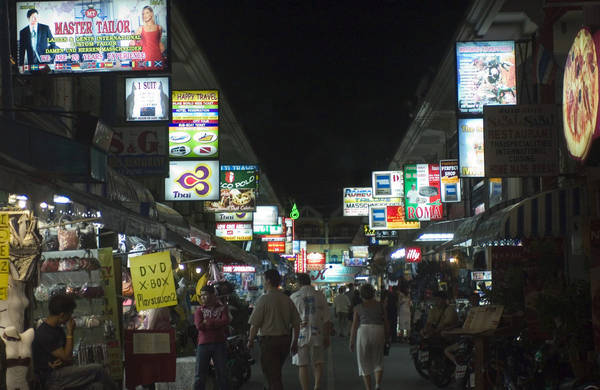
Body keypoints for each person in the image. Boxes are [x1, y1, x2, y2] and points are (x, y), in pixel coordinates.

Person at [32, 294, 117, 390]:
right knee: (98, 370)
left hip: (60, 372)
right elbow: (67, 357)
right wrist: (70, 332)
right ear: (62, 315)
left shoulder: (56, 329)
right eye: (70, 313)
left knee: (97, 387)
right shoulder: (45, 333)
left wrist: (63, 361)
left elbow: (68, 359)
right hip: (52, 378)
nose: (71, 317)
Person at [248, 269, 301, 390]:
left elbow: (255, 324)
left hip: (269, 342)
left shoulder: (264, 300)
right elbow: (296, 323)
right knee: (276, 371)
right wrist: (294, 342)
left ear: (268, 281)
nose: (263, 282)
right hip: (284, 341)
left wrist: (250, 340)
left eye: (264, 279)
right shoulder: (287, 299)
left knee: (272, 374)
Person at [290, 273, 332, 390]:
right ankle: (317, 386)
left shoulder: (294, 297)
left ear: (299, 283)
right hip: (317, 332)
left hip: (300, 334)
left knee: (302, 364)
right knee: (318, 362)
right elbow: (327, 319)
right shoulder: (320, 296)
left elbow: (289, 318)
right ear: (310, 281)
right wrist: (327, 336)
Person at [349, 284, 390, 390]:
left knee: (363, 361)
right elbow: (386, 322)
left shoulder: (358, 307)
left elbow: (354, 325)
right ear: (373, 293)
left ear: (361, 295)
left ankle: (368, 388)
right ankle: (377, 385)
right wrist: (388, 336)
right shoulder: (380, 306)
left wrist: (351, 341)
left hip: (363, 331)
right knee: (378, 360)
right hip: (378, 330)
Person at [194, 285, 230, 390]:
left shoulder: (223, 308)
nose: (203, 298)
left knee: (222, 373)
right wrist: (216, 323)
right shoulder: (199, 311)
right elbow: (199, 326)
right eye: (201, 296)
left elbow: (225, 321)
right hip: (203, 345)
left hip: (219, 343)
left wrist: (208, 322)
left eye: (205, 295)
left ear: (213, 295)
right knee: (200, 375)